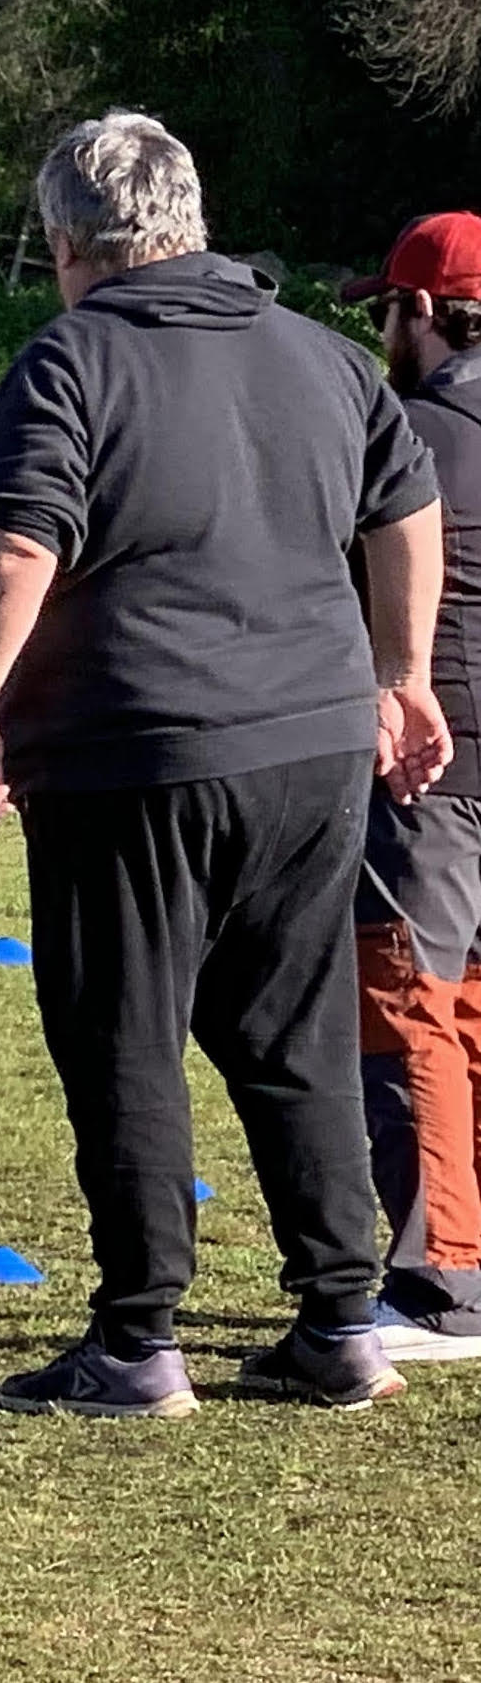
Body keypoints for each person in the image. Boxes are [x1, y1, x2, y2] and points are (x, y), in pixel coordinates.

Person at [0, 110, 444, 1418]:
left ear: (64, 241)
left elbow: (17, 545)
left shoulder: (67, 361)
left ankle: (135, 1341)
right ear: (192, 220)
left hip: (129, 747)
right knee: (294, 1033)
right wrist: (398, 674)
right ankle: (338, 1323)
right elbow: (405, 509)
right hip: (310, 742)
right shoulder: (321, 355)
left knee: (120, 1034)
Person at [347, 211, 481, 1364]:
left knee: (410, 1009)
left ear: (423, 311)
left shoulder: (406, 434)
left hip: (431, 766)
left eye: (385, 308)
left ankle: (442, 1279)